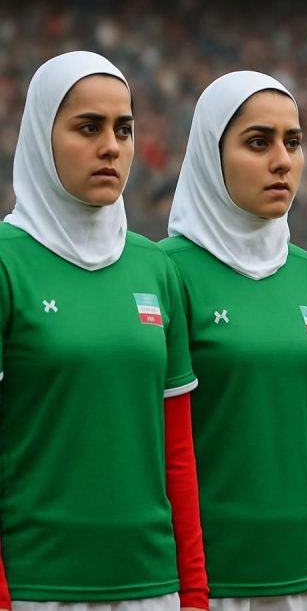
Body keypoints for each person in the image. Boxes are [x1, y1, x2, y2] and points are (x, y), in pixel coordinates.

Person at [0, 51, 206, 610]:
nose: (111, 146)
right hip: (39, 588)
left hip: (151, 585)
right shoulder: (5, 263)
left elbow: (178, 454)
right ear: (43, 134)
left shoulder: (156, 269)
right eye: (88, 128)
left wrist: (193, 592)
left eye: (125, 129)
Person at [161, 71, 307, 610]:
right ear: (211, 152)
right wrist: (189, 588)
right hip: (212, 583)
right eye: (259, 142)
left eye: (293, 143)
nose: (283, 160)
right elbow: (164, 451)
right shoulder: (165, 273)